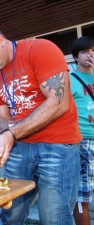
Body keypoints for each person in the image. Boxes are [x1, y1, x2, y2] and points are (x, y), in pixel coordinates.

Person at [0, 21, 82, 225]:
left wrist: (12, 133)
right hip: (20, 147)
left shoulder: (40, 49)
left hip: (58, 146)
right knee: (11, 215)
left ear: (0, 40)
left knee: (54, 218)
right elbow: (3, 119)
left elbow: (59, 102)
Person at [70, 37, 94, 225]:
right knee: (82, 194)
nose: (90, 54)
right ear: (75, 57)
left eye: (93, 50)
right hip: (82, 141)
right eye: (85, 51)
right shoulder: (69, 80)